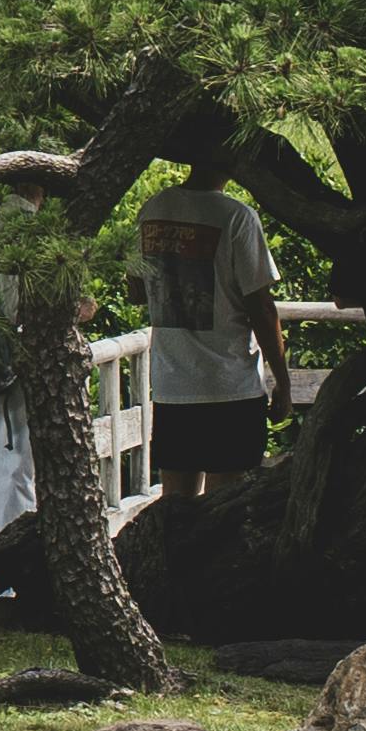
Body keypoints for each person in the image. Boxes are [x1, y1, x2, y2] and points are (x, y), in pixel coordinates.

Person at [129, 172, 283, 494]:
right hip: (230, 386)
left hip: (172, 387)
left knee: (175, 506)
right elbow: (262, 308)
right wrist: (283, 383)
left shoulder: (152, 209)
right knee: (224, 507)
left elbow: (136, 291)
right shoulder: (237, 216)